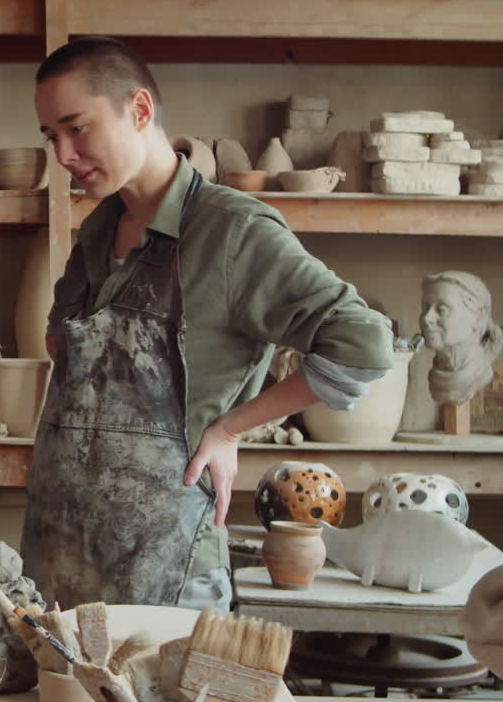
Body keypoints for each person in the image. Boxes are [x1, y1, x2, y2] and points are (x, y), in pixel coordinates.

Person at [20, 37, 394, 612]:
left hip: (165, 563)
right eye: (52, 137)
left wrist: (231, 428)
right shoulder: (100, 228)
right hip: (61, 545)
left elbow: (363, 344)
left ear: (139, 111)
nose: (64, 154)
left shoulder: (231, 232)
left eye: (77, 128)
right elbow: (61, 349)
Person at [420, 270, 503, 406]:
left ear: (478, 318)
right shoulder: (436, 378)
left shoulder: (478, 374)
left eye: (441, 309)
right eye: (425, 307)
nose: (426, 318)